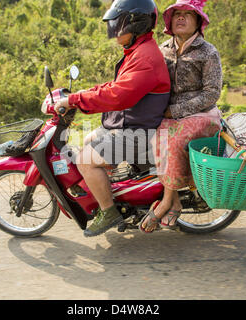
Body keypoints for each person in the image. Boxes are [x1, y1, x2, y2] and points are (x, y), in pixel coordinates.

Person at [54, 0, 171, 237]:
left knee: (85, 160)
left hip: (138, 133)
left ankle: (109, 212)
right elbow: (115, 87)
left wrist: (76, 100)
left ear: (135, 24)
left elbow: (118, 96)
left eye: (119, 24)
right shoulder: (138, 51)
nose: (114, 30)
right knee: (88, 139)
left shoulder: (145, 58)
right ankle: (111, 193)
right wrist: (80, 95)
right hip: (129, 125)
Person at [140, 0, 223, 233]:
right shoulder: (162, 49)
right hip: (168, 115)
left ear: (198, 22)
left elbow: (212, 93)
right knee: (153, 135)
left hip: (203, 114)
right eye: (177, 14)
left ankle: (167, 202)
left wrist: (175, 111)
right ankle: (173, 199)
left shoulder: (208, 52)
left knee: (174, 137)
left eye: (188, 14)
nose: (181, 18)